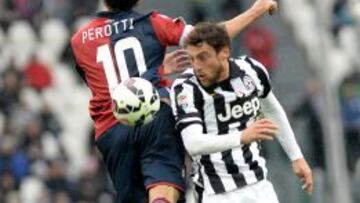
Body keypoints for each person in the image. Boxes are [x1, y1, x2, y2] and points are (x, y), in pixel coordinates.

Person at [71, 0, 278, 202]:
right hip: (155, 116)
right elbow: (211, 39)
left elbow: (107, 82)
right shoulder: (152, 22)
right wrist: (255, 10)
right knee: (162, 187)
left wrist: (157, 69)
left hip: (113, 128)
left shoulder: (79, 41)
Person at [170, 22, 313, 203]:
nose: (196, 66)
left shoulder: (250, 70)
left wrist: (296, 156)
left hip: (259, 185)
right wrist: (242, 136)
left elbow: (271, 109)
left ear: (224, 53)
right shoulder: (186, 88)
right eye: (192, 59)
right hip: (216, 193)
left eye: (203, 57)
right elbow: (193, 143)